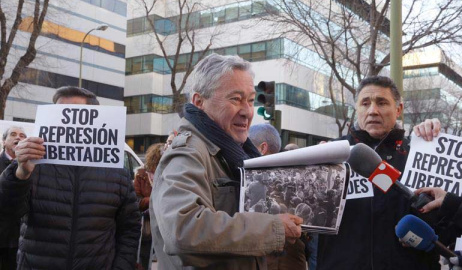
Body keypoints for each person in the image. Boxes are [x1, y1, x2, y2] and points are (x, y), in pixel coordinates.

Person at [150, 53, 303, 269]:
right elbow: (184, 229)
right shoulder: (187, 152)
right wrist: (273, 228)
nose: (247, 112)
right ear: (199, 102)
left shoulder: (233, 152)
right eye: (236, 99)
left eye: (250, 100)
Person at [0, 86, 141, 269]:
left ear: (94, 120)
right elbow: (6, 213)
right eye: (60, 114)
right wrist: (20, 174)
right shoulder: (33, 165)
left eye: (76, 114)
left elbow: (129, 229)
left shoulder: (116, 173)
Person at [316, 76, 442, 270]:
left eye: (382, 103)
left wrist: (434, 141)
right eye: (365, 103)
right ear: (357, 109)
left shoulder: (420, 154)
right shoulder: (332, 155)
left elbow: (445, 219)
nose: (373, 110)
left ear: (398, 109)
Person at [0, 126, 26, 270]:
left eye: (22, 136)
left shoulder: (34, 167)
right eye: (13, 134)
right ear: (4, 141)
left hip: (21, 239)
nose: (18, 138)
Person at [134, 143, 164, 270]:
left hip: (162, 225)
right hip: (145, 226)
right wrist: (153, 199)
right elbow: (137, 201)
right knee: (143, 256)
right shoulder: (141, 175)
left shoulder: (168, 175)